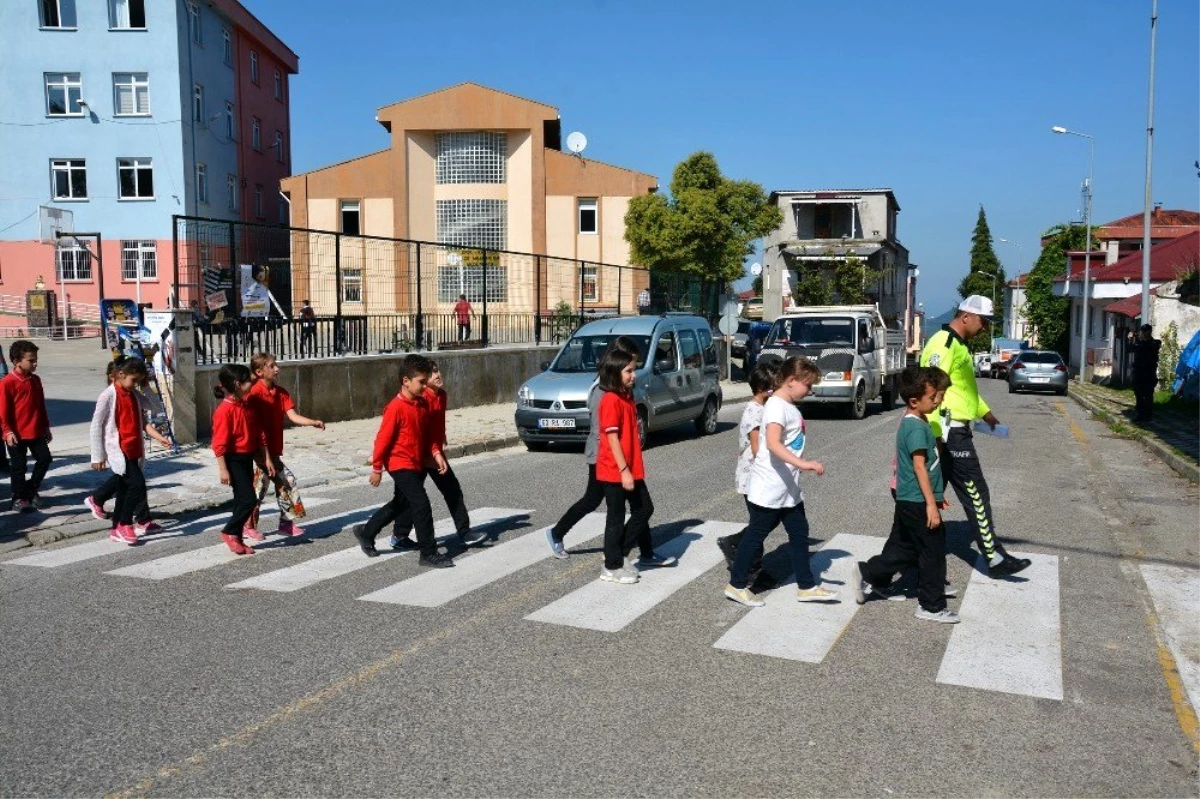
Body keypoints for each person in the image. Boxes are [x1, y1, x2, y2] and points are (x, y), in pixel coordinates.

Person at [920, 295, 1030, 578]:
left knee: (922, 502)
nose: (984, 327)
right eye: (983, 321)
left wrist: (986, 414)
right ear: (966, 316)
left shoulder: (960, 346)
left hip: (955, 430)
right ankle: (993, 556)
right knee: (975, 491)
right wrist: (934, 437)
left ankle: (881, 568)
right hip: (947, 433)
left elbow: (964, 392)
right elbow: (928, 389)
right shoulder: (943, 344)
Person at [543, 336, 674, 569]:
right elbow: (604, 430)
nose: (634, 372)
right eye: (631, 365)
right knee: (595, 501)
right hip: (603, 456)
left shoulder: (621, 388)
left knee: (637, 506)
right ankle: (559, 534)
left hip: (618, 457)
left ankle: (645, 553)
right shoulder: (603, 391)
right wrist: (621, 464)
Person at [724, 357, 838, 607]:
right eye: (807, 385)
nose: (810, 390)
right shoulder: (776, 406)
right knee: (755, 536)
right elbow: (773, 444)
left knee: (799, 534)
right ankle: (737, 584)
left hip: (787, 487)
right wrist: (804, 463)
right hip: (770, 486)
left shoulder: (785, 405)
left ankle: (806, 586)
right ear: (791, 381)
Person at [855, 367, 959, 623]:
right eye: (933, 397)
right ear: (915, 401)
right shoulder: (915, 427)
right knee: (932, 551)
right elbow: (919, 467)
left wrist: (937, 495)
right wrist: (930, 505)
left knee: (906, 548)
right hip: (916, 500)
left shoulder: (918, 420)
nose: (938, 400)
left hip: (912, 498)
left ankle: (868, 572)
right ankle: (931, 606)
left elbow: (931, 469)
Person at [353, 354, 454, 567]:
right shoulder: (395, 408)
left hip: (416, 461)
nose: (424, 385)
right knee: (421, 504)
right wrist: (377, 468)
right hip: (399, 463)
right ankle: (428, 553)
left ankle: (366, 532)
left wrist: (436, 452)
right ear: (405, 381)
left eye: (425, 380)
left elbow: (428, 435)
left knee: (401, 503)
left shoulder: (421, 404)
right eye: (421, 381)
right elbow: (382, 440)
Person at [389, 360, 487, 550]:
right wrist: (431, 453)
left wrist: (441, 440)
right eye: (432, 373)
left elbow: (436, 424)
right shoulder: (420, 397)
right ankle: (390, 534)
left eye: (437, 371)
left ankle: (465, 532)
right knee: (407, 499)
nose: (437, 375)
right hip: (418, 454)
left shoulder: (441, 395)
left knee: (451, 489)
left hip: (434, 452)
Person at [241, 352, 325, 541]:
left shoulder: (281, 393)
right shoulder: (253, 394)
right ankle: (263, 525)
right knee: (276, 483)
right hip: (259, 451)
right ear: (259, 371)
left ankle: (270, 524)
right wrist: (261, 454)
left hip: (273, 450)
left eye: (275, 365)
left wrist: (312, 422)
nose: (277, 369)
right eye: (272, 366)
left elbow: (293, 416)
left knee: (270, 486)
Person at [592, 346, 658, 584]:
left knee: (644, 509)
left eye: (634, 370)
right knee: (616, 517)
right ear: (615, 372)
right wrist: (623, 471)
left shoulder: (626, 396)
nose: (634, 375)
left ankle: (618, 555)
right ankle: (611, 565)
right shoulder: (610, 400)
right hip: (615, 470)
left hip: (630, 467)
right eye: (629, 371)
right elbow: (611, 438)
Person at [88, 358, 171, 546]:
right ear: (120, 374)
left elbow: (155, 407)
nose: (135, 384)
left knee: (125, 490)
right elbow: (96, 425)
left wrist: (146, 386)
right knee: (137, 485)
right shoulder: (108, 395)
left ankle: (116, 527)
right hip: (119, 450)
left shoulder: (133, 393)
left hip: (134, 449)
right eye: (134, 380)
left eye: (138, 381)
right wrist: (98, 455)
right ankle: (125, 523)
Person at [717, 360, 780, 579]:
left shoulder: (764, 408)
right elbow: (756, 449)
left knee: (764, 521)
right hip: (754, 476)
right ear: (763, 389)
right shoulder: (755, 412)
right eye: (774, 387)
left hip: (758, 475)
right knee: (760, 523)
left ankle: (740, 550)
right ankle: (748, 562)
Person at [211, 364, 274, 555]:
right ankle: (229, 531)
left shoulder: (245, 405)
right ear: (237, 384)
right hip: (234, 460)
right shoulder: (225, 410)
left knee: (241, 500)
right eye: (248, 380)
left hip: (247, 457)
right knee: (248, 499)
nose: (252, 382)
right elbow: (219, 443)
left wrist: (265, 458)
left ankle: (236, 537)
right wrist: (223, 469)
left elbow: (257, 432)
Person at [1, 340, 53, 513]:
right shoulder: (7, 382)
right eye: (31, 360)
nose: (35, 363)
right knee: (18, 467)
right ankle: (18, 498)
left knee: (45, 459)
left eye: (35, 359)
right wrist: (7, 431)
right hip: (16, 434)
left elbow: (41, 405)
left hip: (36, 430)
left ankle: (30, 490)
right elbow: (3, 411)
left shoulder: (36, 380)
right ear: (17, 362)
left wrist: (46, 426)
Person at [1129, 324, 1161, 422]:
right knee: (1138, 394)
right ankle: (1140, 414)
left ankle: (1147, 415)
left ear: (1149, 332)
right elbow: (1129, 349)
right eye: (1141, 331)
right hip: (1138, 373)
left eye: (1143, 331)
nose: (1142, 333)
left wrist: (1138, 339)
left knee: (1148, 394)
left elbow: (1147, 347)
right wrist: (1130, 340)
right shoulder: (1139, 343)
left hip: (1149, 373)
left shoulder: (1155, 343)